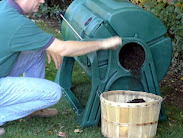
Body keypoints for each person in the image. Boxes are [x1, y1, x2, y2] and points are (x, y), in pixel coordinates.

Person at [0, 0, 122, 136]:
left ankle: (35, 109)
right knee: (54, 93)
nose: (42, 1)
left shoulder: (5, 7)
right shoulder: (15, 22)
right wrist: (104, 43)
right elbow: (64, 48)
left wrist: (46, 45)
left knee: (37, 51)